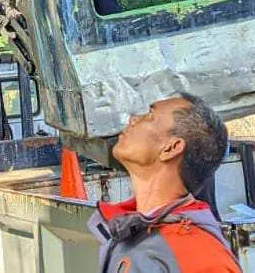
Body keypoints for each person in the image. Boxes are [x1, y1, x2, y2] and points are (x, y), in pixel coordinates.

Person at [89, 93, 241, 272]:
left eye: (150, 116)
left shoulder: (198, 255)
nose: (133, 120)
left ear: (171, 148)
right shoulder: (129, 231)